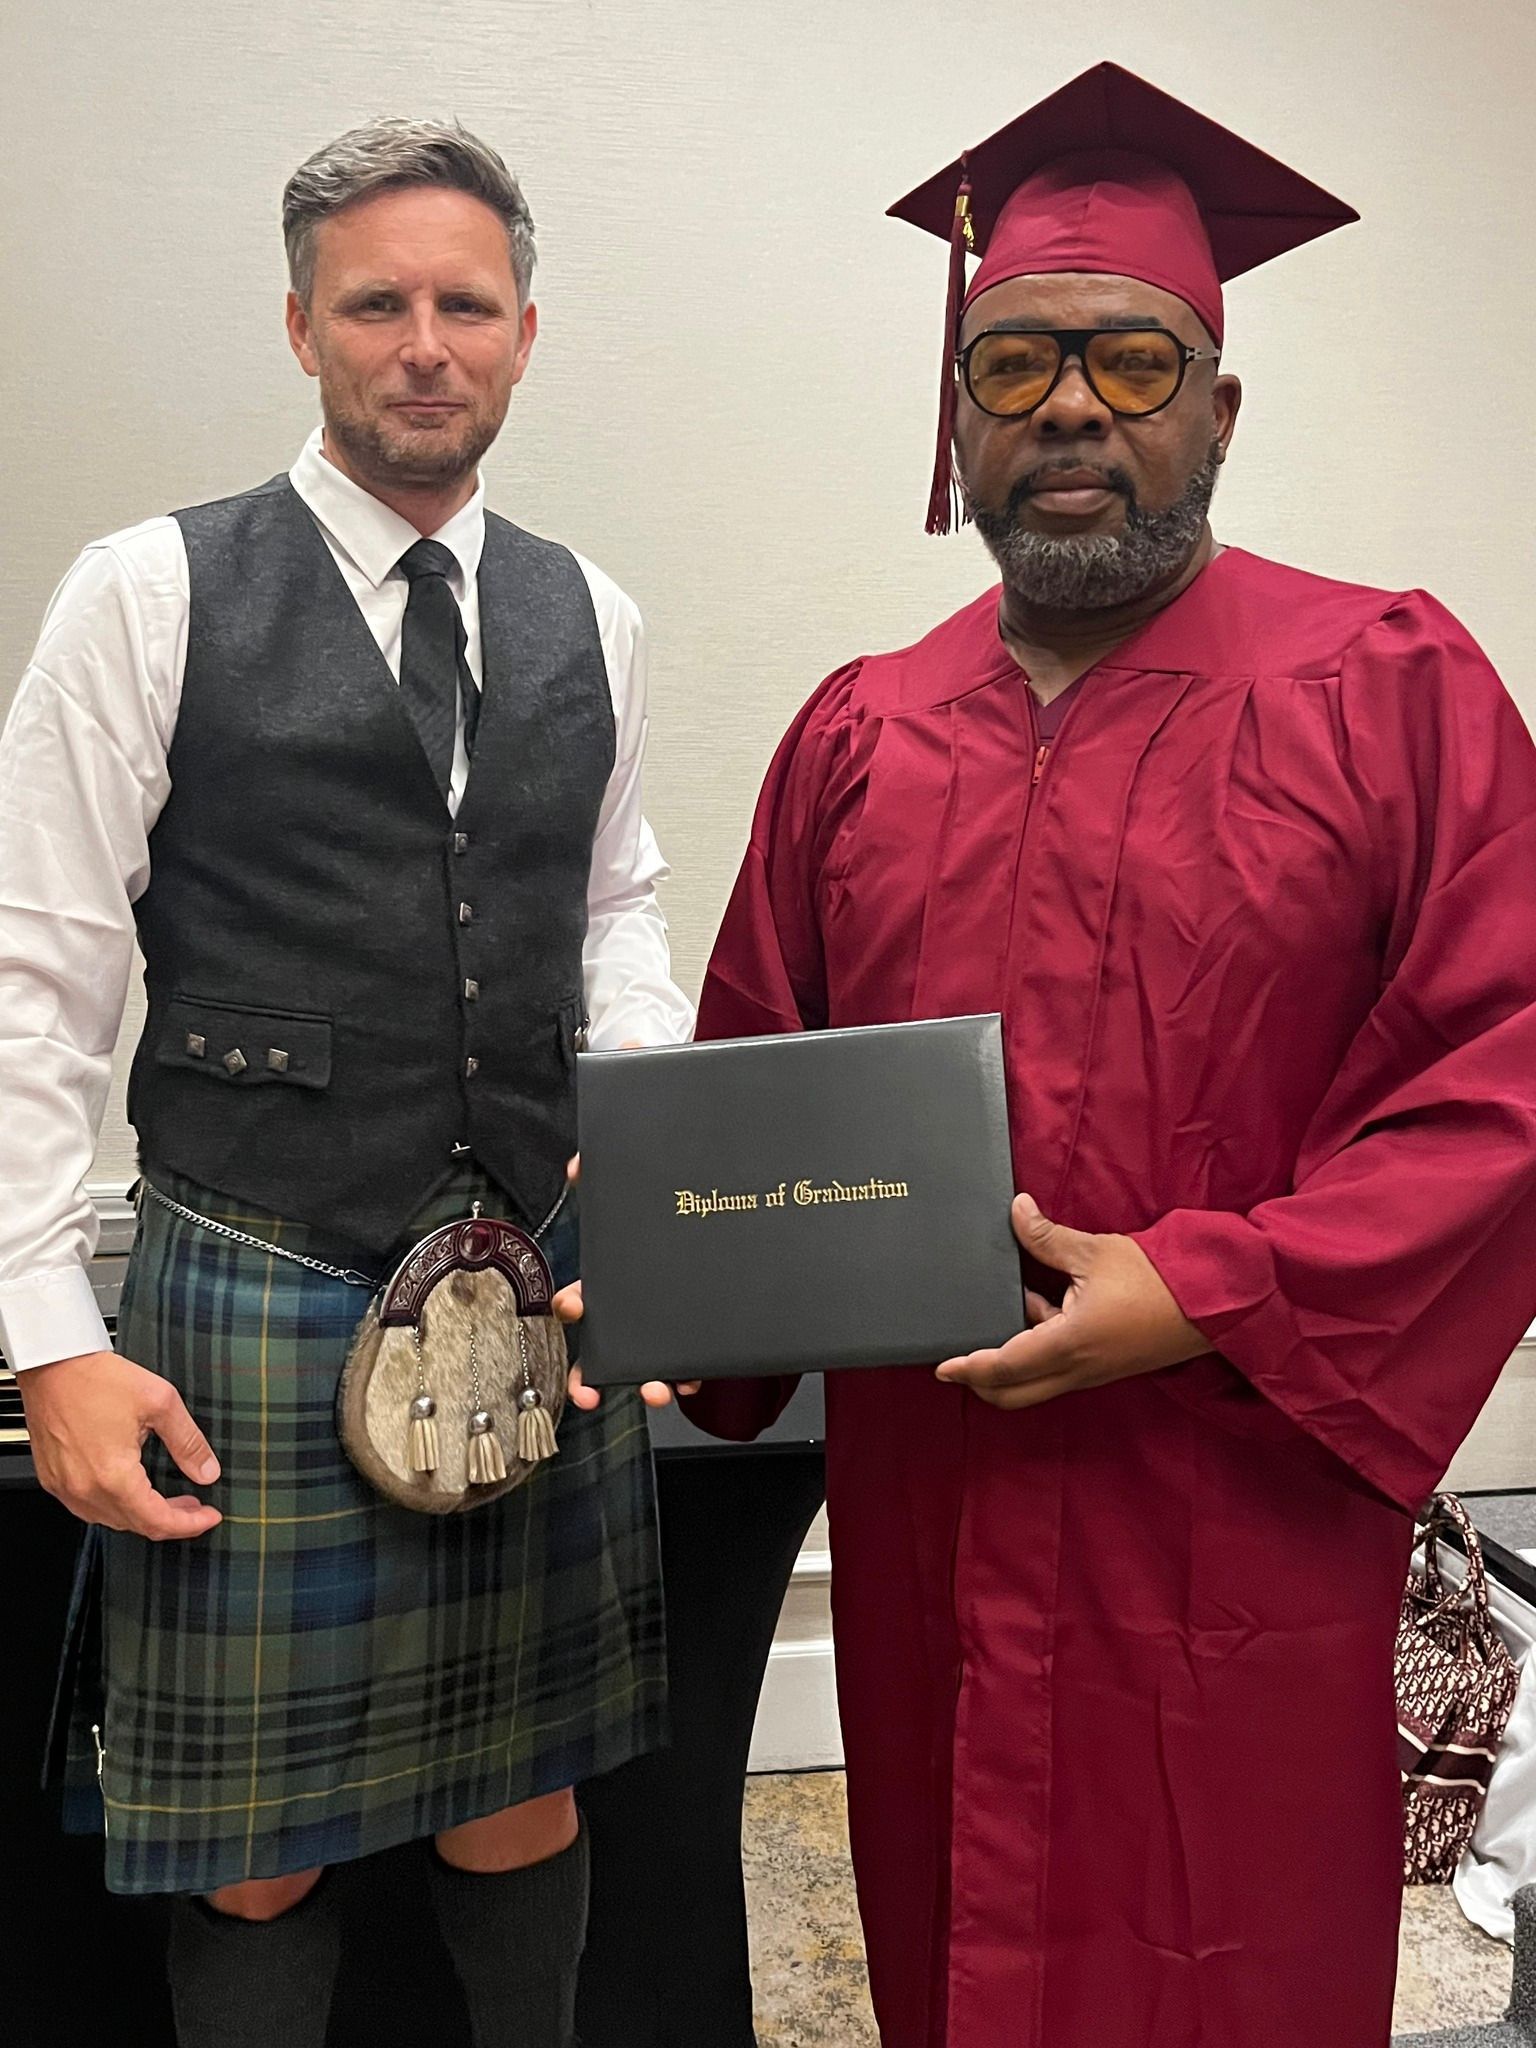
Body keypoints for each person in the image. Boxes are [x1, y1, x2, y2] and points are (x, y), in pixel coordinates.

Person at [590, 60, 1536, 2048]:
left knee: (1226, 1964)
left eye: (1128, 357)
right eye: (1013, 367)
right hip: (940, 1504)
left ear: (1219, 402)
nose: (1072, 406)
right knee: (955, 1953)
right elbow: (763, 1062)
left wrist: (1201, 1287)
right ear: (960, 414)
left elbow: (1506, 1071)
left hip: (1232, 1508)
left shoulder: (1393, 689)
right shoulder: (858, 735)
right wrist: (686, 1285)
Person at [0, 117, 693, 2048]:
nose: (422, 343)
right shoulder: (146, 591)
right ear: (299, 326)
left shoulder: (596, 617)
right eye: (374, 302)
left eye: (464, 304)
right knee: (257, 1845)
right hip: (257, 1276)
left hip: (532, 1269)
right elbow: (31, 974)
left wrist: (641, 1190)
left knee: (524, 1784)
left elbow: (616, 919)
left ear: (527, 333)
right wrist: (48, 1331)